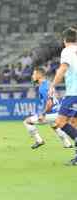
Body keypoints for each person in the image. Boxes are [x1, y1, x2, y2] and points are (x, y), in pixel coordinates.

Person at [23, 68, 72, 149]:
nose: (32, 76)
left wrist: (42, 114)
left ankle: (39, 140)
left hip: (52, 113)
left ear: (39, 75)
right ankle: (67, 143)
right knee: (54, 126)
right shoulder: (49, 83)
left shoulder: (42, 87)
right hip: (57, 111)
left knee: (27, 121)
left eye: (34, 74)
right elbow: (56, 97)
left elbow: (49, 103)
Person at [49, 26, 77, 165]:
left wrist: (52, 85)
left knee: (60, 122)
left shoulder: (67, 51)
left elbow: (63, 69)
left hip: (74, 93)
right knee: (74, 123)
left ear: (64, 40)